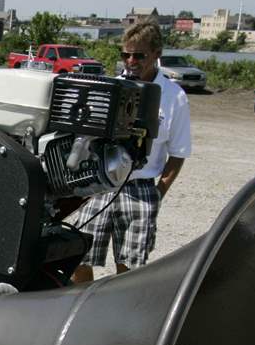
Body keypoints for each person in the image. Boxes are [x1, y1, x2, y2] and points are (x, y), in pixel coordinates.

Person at [70, 21, 191, 283]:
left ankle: (120, 316)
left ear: (157, 54)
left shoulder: (173, 96)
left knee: (130, 267)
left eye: (139, 55)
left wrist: (158, 194)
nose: (131, 61)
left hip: (140, 189)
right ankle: (85, 309)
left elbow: (179, 153)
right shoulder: (112, 88)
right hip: (102, 184)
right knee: (77, 254)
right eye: (126, 54)